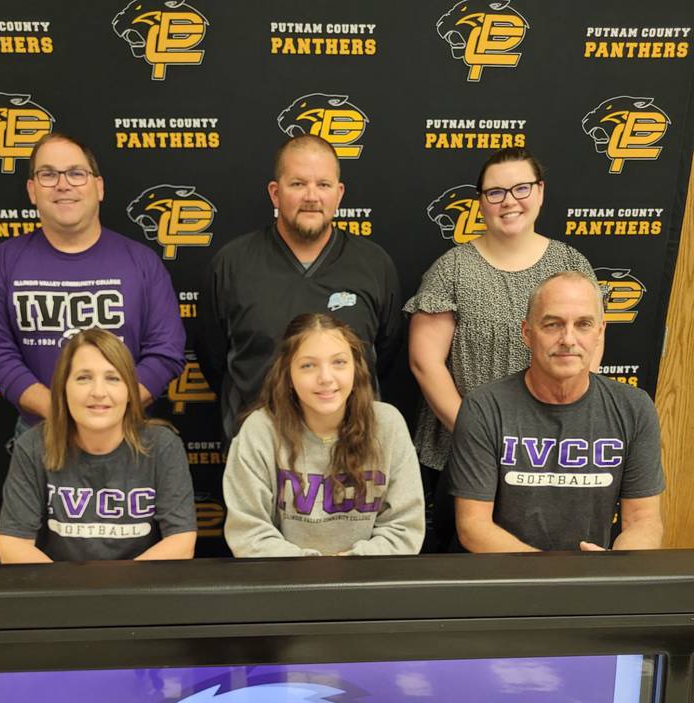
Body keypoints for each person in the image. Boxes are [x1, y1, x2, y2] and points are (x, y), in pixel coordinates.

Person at [405, 147, 597, 549]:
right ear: (481, 203)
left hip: (549, 454)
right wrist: (479, 434)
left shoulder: (571, 264)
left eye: (521, 188)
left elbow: (587, 352)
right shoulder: (452, 269)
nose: (509, 200)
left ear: (540, 192)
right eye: (495, 192)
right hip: (464, 450)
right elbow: (426, 363)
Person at [0, 132, 185, 429]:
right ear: (32, 191)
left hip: (126, 432)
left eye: (76, 173)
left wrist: (107, 413)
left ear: (98, 187)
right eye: (48, 174)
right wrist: (59, 412)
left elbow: (166, 351)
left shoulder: (142, 262)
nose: (63, 184)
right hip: (41, 434)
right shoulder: (0, 263)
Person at [197, 134, 403, 439]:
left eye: (323, 184)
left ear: (339, 193)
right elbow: (213, 358)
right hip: (260, 449)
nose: (311, 196)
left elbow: (384, 354)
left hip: (351, 448)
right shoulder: (232, 264)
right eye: (298, 184)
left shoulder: (373, 264)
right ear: (275, 193)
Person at [448, 272, 664, 553]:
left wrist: (617, 565)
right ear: (527, 333)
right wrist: (555, 577)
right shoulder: (485, 407)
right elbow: (473, 526)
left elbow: (644, 521)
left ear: (600, 332)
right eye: (553, 324)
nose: (568, 339)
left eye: (584, 324)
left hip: (594, 577)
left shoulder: (634, 407)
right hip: (506, 578)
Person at [223, 313, 424, 557]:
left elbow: (404, 528)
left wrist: (347, 568)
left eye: (338, 362)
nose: (326, 378)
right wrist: (315, 571)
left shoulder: (387, 424)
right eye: (308, 365)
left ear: (356, 369)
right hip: (285, 585)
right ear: (287, 374)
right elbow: (248, 532)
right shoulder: (260, 431)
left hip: (369, 583)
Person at [0, 328, 197, 562]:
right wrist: (72, 595)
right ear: (62, 389)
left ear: (130, 391)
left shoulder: (162, 446)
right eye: (83, 378)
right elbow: (13, 545)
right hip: (60, 591)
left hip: (138, 591)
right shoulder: (32, 446)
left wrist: (116, 594)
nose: (98, 392)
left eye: (112, 378)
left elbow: (181, 542)